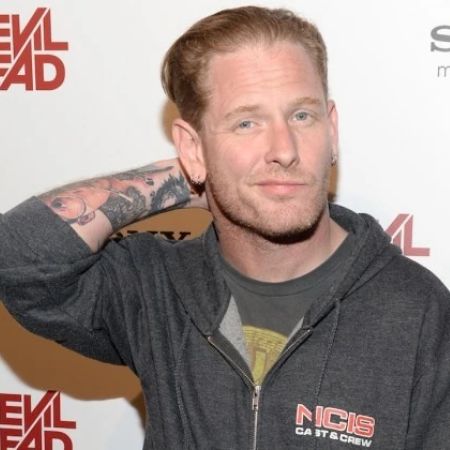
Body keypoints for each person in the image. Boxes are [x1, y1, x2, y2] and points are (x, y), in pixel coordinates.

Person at [1, 6, 449, 449]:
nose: (285, 150)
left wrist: (234, 174)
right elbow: (18, 258)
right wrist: (193, 177)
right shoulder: (156, 286)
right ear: (192, 147)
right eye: (246, 123)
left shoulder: (418, 311)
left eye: (301, 116)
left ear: (331, 129)